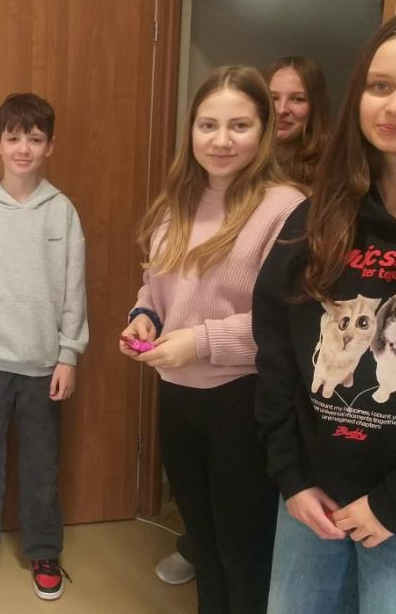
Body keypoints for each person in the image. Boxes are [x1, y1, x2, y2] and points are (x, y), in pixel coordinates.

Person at [120, 65, 305, 614]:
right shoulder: (177, 200)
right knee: (202, 539)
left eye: (239, 126)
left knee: (242, 551)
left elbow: (285, 322)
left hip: (242, 401)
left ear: (263, 130)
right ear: (192, 131)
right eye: (208, 125)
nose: (221, 140)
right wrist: (144, 315)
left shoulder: (287, 208)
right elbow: (157, 282)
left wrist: (198, 342)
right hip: (178, 393)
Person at [254, 10, 396, 614]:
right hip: (311, 502)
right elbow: (276, 353)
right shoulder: (316, 219)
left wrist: (394, 503)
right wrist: (291, 476)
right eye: (380, 85)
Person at [0, 93, 89, 602]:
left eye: (34, 138)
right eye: (13, 137)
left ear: (50, 145)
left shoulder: (62, 211)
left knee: (41, 467)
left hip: (44, 367)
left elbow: (74, 290)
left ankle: (44, 549)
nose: (23, 148)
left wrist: (68, 354)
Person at [267, 56, 332, 187]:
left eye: (297, 99)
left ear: (315, 107)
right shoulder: (244, 162)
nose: (281, 110)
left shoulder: (333, 167)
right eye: (273, 98)